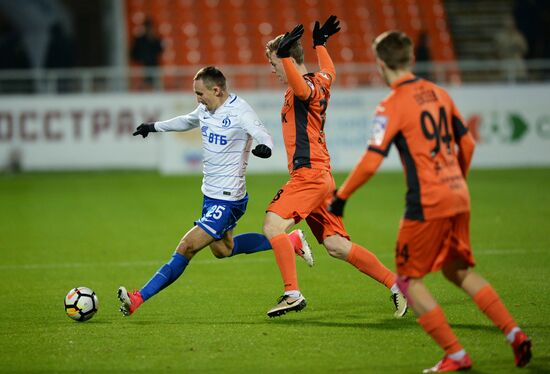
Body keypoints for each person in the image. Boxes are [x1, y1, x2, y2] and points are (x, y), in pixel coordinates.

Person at [328, 31, 532, 372]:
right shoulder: (439, 94)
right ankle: (514, 334)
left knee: (408, 281)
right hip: (458, 194)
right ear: (411, 59)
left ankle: (455, 354)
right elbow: (467, 145)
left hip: (427, 202)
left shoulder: (391, 105)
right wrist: (456, 181)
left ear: (380, 65)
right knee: (458, 270)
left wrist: (342, 196)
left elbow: (372, 158)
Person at [118, 66, 314, 316]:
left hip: (228, 200)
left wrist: (264, 147)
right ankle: (290, 240)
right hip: (210, 196)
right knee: (224, 250)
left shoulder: (240, 111)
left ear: (217, 90)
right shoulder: (205, 109)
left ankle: (138, 298)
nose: (197, 99)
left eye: (200, 94)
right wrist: (153, 126)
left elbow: (263, 134)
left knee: (186, 247)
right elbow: (187, 120)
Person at [262, 16, 407, 319]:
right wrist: (320, 44)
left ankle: (292, 293)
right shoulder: (322, 80)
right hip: (321, 176)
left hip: (310, 176)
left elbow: (301, 89)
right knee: (336, 245)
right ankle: (396, 284)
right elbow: (330, 70)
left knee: (273, 225)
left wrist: (287, 57)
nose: (275, 71)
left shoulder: (304, 89)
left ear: (288, 59)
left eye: (275, 64)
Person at [130, 17, 164, 89]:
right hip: (142, 66)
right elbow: (133, 54)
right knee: (144, 86)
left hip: (154, 66)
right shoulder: (139, 39)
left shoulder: (156, 39)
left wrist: (153, 39)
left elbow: (160, 50)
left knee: (155, 85)